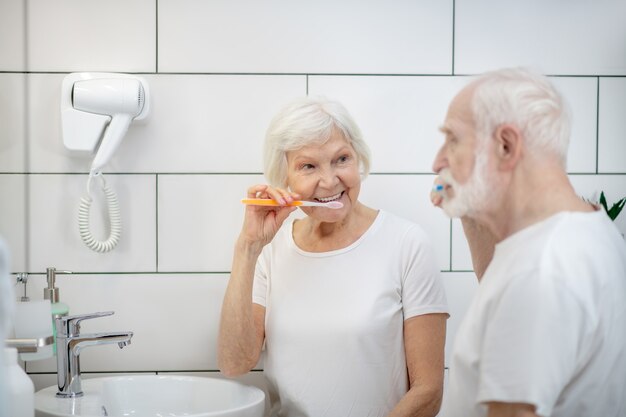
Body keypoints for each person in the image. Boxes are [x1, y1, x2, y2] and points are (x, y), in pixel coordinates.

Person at [218, 96, 449, 417]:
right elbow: (234, 363)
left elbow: (428, 393)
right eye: (308, 166)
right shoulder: (270, 249)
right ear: (284, 178)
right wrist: (248, 247)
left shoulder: (407, 243)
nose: (329, 180)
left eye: (341, 159)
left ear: (359, 159)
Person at [430, 67, 626, 417]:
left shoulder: (540, 271)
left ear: (506, 145)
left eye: (453, 139)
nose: (437, 162)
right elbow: (498, 282)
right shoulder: (589, 228)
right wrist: (468, 210)